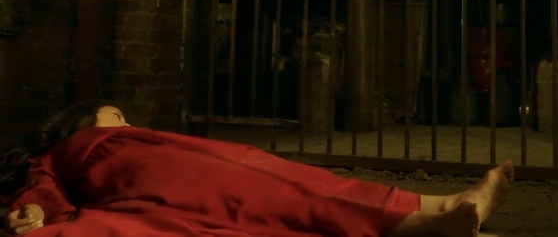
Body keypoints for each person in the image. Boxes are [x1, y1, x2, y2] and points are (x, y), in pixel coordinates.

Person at [1, 100, 514, 237]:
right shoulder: (78, 147)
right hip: (149, 171)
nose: (127, 121)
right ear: (83, 122)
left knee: (282, 177)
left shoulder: (135, 138)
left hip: (179, 167)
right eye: (116, 115)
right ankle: (420, 218)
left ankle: (436, 206)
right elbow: (41, 186)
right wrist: (36, 211)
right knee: (271, 192)